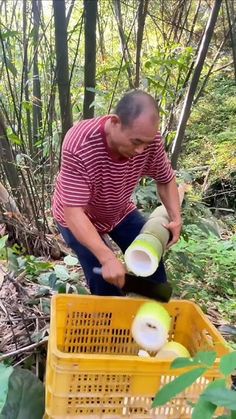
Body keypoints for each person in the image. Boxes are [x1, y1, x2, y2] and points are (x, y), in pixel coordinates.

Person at [52, 90, 182, 296]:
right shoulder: (80, 143)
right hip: (77, 217)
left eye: (146, 143)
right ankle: (112, 321)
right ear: (115, 122)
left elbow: (165, 179)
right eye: (135, 142)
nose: (141, 151)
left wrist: (176, 217)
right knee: (105, 282)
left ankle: (152, 319)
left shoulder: (150, 140)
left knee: (152, 262)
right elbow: (74, 212)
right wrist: (107, 257)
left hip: (118, 210)